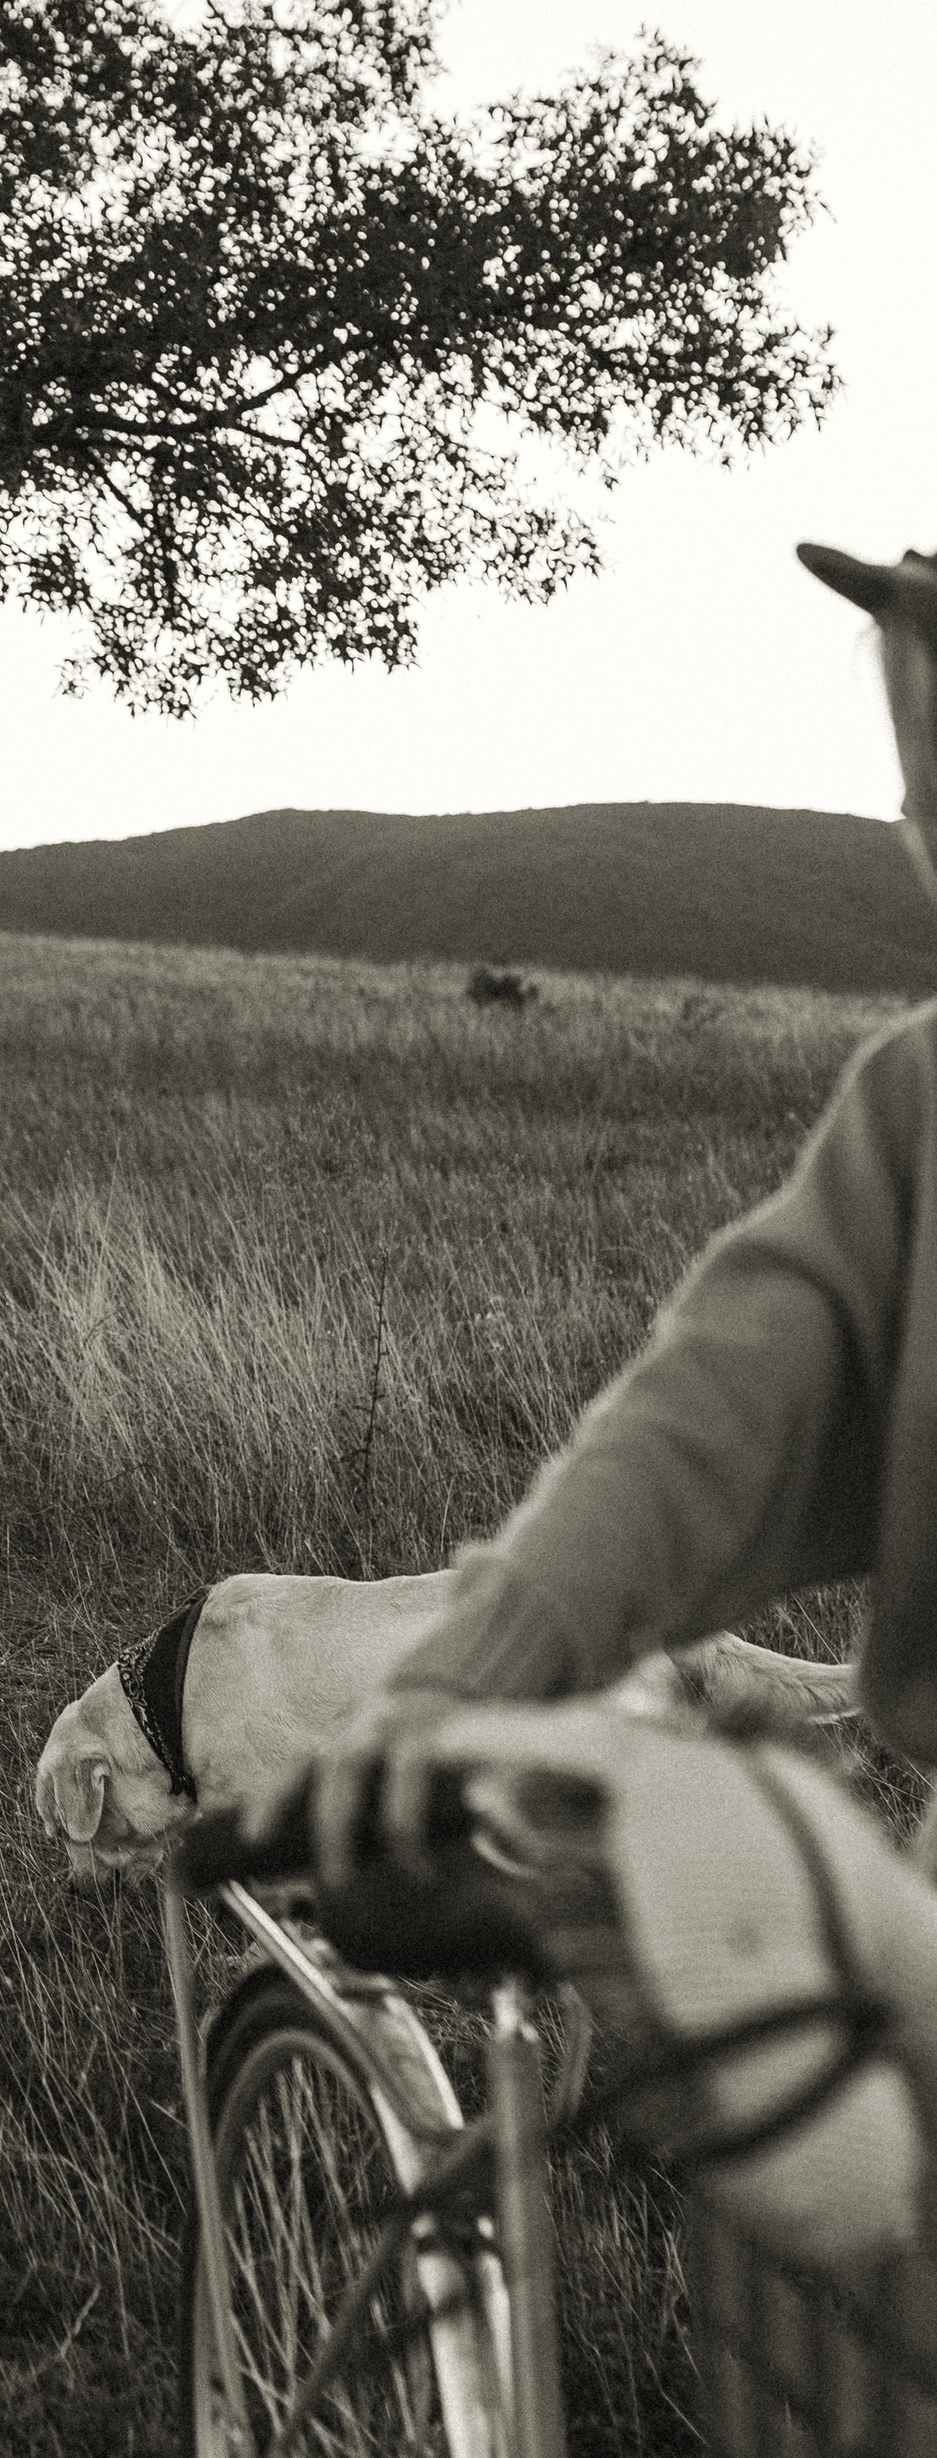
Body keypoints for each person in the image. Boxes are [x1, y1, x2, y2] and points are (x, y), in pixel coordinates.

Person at [311, 536, 937, 1883]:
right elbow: (723, 1400)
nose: (920, 821)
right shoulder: (919, 1098)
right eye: (918, 785)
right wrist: (462, 1680)